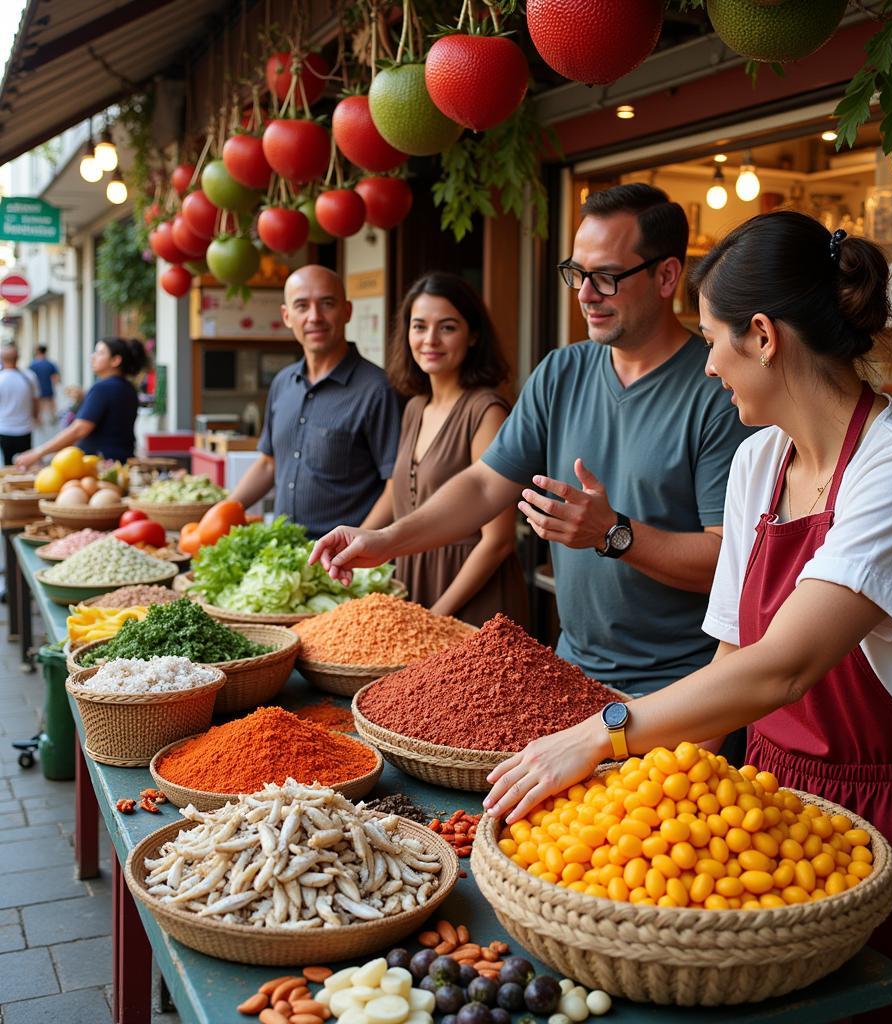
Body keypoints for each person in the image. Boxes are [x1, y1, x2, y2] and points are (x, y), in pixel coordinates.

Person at [483, 212, 892, 1024]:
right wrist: (626, 802)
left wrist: (600, 732)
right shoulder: (760, 460)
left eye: (717, 339)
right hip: (765, 805)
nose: (710, 363)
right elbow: (731, 669)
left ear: (763, 336)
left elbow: (784, 666)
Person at [311, 184, 754, 693]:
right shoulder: (562, 370)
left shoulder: (719, 386)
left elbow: (728, 562)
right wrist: (385, 541)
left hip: (683, 684)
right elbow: (482, 486)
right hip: (569, 670)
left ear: (667, 276)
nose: (586, 294)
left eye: (606, 277)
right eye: (577, 274)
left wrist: (612, 534)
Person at [360, 272, 528, 625]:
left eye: (447, 327)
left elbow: (498, 541)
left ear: (473, 336)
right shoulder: (414, 407)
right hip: (413, 581)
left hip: (469, 591)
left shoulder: (487, 411)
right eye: (419, 326)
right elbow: (397, 489)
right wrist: (361, 543)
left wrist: (437, 617)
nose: (430, 340)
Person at [229, 265, 401, 537]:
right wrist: (223, 512)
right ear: (287, 316)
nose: (314, 317)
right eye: (301, 306)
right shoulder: (283, 383)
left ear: (347, 311)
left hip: (344, 567)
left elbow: (396, 488)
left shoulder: (378, 390)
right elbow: (268, 463)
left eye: (327, 304)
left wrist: (354, 549)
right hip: (284, 555)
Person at [17, 337, 147, 468]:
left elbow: (79, 430)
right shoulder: (128, 388)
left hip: (101, 466)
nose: (93, 357)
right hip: (121, 462)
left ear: (115, 360)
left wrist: (38, 453)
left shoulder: (103, 387)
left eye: (100, 353)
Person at [0, 344, 39, 465]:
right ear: (18, 357)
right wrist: (35, 417)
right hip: (25, 428)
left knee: (8, 464)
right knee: (25, 465)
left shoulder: (1, 378)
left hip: (5, 428)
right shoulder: (29, 376)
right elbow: (36, 401)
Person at [28, 344, 59, 424]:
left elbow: (29, 378)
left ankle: (39, 420)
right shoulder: (50, 363)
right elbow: (55, 377)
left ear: (38, 352)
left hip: (37, 388)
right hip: (48, 387)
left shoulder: (32, 364)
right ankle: (52, 417)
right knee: (51, 404)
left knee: (39, 405)